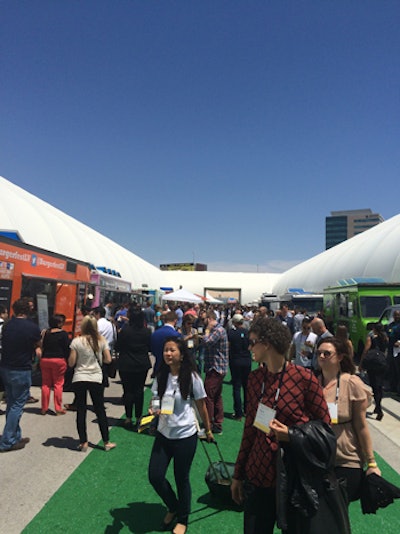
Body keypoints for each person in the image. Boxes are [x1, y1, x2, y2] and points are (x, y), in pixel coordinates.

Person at [231, 317, 331, 533]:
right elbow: (250, 429)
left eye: (253, 342)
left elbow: (325, 428)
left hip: (292, 477)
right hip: (257, 474)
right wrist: (238, 474)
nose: (249, 347)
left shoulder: (304, 379)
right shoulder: (255, 379)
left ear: (266, 343)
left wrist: (292, 434)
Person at [148, 337, 214, 534]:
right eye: (165, 350)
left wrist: (208, 429)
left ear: (182, 354)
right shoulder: (160, 375)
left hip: (185, 435)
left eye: (172, 350)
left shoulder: (192, 377)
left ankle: (183, 518)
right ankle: (173, 506)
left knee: (181, 478)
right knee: (155, 476)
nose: (168, 354)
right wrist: (154, 409)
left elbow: (202, 405)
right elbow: (155, 398)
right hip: (163, 433)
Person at [317, 336, 381, 502]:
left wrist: (371, 463)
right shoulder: (312, 384)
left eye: (327, 353)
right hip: (318, 460)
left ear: (339, 357)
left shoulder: (352, 383)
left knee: (338, 516)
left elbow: (361, 426)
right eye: (319, 353)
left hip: (346, 460)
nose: (322, 356)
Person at [68, 316, 116, 452]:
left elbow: (71, 362)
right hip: (95, 377)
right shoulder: (101, 341)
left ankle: (83, 442)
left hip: (79, 377)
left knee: (81, 410)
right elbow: (108, 359)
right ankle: (106, 441)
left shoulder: (76, 341)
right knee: (99, 409)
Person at [0, 298, 41, 452]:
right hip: (21, 368)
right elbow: (38, 345)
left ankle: (15, 436)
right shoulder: (32, 327)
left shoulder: (7, 325)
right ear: (28, 310)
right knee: (17, 405)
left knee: (12, 403)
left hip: (6, 367)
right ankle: (8, 441)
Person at [116, 306, 152, 430]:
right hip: (142, 363)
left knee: (127, 390)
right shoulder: (147, 332)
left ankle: (128, 417)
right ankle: (138, 417)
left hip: (126, 363)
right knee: (139, 390)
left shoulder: (125, 331)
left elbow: (117, 347)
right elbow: (149, 347)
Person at [201, 310, 229, 434]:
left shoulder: (217, 330)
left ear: (209, 319)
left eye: (204, 320)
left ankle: (209, 424)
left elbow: (207, 342)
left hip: (215, 368)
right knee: (217, 396)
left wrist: (206, 331)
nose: (203, 323)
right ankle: (217, 423)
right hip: (218, 368)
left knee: (209, 396)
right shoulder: (219, 330)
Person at [39, 314, 70, 415]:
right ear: (59, 323)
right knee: (58, 384)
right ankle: (58, 407)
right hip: (58, 360)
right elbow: (67, 349)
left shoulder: (45, 333)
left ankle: (44, 407)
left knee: (45, 384)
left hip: (45, 359)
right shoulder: (64, 334)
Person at [360, 323, 388, 421]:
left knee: (374, 386)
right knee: (379, 386)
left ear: (374, 329)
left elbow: (366, 350)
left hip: (373, 364)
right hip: (382, 363)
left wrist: (361, 363)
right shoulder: (385, 338)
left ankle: (379, 409)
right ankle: (377, 406)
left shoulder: (371, 338)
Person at [227, 314, 252, 421]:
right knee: (246, 386)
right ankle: (247, 410)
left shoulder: (231, 333)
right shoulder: (248, 333)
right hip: (246, 360)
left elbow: (228, 346)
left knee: (236, 386)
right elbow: (251, 345)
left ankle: (238, 413)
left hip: (236, 361)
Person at [385, 310, 400, 394]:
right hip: (391, 349)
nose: (396, 317)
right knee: (392, 369)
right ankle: (392, 387)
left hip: (398, 350)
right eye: (395, 315)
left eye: (398, 315)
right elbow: (387, 334)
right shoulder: (391, 325)